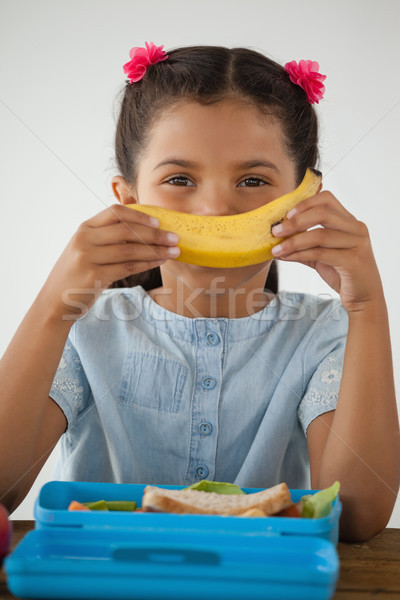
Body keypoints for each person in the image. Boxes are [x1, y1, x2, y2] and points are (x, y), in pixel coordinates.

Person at [0, 43, 398, 542]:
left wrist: (367, 307)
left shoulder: (325, 333)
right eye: (180, 178)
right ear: (129, 201)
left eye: (252, 179)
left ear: (304, 201)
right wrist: (52, 307)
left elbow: (359, 517)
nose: (214, 208)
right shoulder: (84, 327)